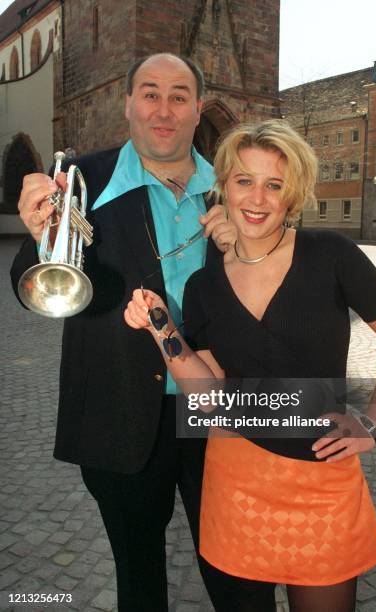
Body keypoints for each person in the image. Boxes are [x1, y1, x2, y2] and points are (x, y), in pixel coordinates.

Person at [125, 119, 376, 612]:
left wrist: (374, 422)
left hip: (321, 479)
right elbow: (211, 395)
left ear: (293, 194)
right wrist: (164, 330)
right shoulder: (203, 286)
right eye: (244, 180)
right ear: (224, 186)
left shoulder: (331, 255)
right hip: (236, 485)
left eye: (274, 184)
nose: (257, 198)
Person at [10, 53, 236, 611]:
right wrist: (42, 235)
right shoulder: (84, 180)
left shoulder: (233, 187)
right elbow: (29, 279)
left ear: (197, 108)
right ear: (128, 103)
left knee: (237, 571)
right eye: (150, 93)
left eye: (179, 96)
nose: (164, 109)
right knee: (138, 574)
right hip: (119, 407)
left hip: (219, 406)